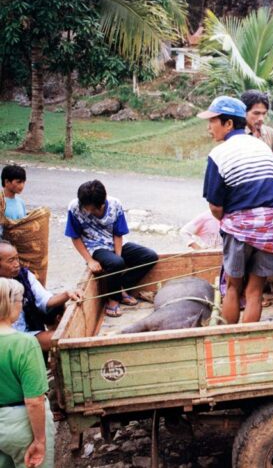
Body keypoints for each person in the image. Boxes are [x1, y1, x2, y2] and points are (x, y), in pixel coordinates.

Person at [198, 95, 273, 324]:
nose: (209, 128)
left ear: (228, 124)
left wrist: (228, 221)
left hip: (239, 230)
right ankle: (247, 342)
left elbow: (215, 206)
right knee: (255, 290)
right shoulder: (263, 148)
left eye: (212, 121)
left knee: (233, 288)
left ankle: (228, 338)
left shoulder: (219, 154)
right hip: (268, 228)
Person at [65, 180, 158, 318]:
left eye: (89, 208)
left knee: (150, 256)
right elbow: (75, 237)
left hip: (115, 243)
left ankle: (121, 288)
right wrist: (90, 260)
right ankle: (113, 300)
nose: (85, 209)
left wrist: (118, 255)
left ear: (100, 205)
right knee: (116, 263)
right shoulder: (75, 207)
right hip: (94, 246)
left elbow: (118, 233)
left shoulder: (115, 204)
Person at [0, 277, 55, 468]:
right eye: (21, 301)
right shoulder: (24, 344)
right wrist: (39, 440)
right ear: (9, 303)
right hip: (22, 425)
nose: (22, 307)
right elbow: (34, 401)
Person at [0, 241, 81, 352]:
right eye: (11, 260)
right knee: (59, 340)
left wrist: (67, 294)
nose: (16, 263)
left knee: (63, 335)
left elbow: (45, 299)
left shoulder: (25, 276)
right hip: (6, 339)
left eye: (17, 258)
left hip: (28, 332)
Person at [241, 90, 273, 159]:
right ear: (244, 112)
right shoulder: (237, 136)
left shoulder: (271, 133)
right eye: (256, 113)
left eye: (264, 113)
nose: (261, 118)